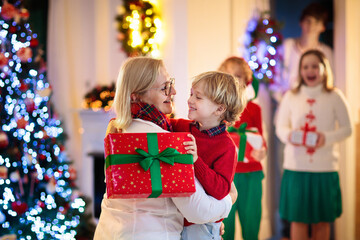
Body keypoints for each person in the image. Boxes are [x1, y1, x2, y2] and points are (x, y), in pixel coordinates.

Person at [93, 57, 237, 240]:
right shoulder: (158, 141)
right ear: (136, 95)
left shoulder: (122, 129)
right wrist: (229, 198)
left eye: (171, 84)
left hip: (112, 231)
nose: (174, 92)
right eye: (164, 88)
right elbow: (198, 212)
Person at [275, 49, 352, 240]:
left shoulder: (335, 96)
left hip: (325, 169)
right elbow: (280, 128)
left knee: (322, 221)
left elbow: (347, 129)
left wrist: (325, 137)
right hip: (296, 168)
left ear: (324, 69)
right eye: (305, 66)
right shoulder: (291, 96)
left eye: (314, 66)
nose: (310, 70)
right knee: (297, 220)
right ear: (300, 71)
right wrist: (291, 135)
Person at [170, 71, 246, 240]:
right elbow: (155, 123)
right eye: (191, 94)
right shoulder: (183, 127)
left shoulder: (226, 147)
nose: (189, 100)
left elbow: (220, 190)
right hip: (178, 221)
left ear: (219, 109)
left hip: (203, 226)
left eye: (198, 97)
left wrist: (196, 161)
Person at [218, 56, 267, 240]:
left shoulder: (254, 109)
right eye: (229, 75)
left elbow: (261, 140)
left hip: (251, 174)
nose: (234, 79)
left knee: (252, 223)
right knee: (225, 225)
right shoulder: (218, 108)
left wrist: (262, 151)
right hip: (225, 175)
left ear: (246, 81)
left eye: (238, 75)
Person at [281, 2, 333, 94]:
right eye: (308, 21)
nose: (311, 26)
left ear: (323, 27)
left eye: (316, 22)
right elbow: (277, 78)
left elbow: (331, 81)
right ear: (301, 22)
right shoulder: (287, 46)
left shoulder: (327, 52)